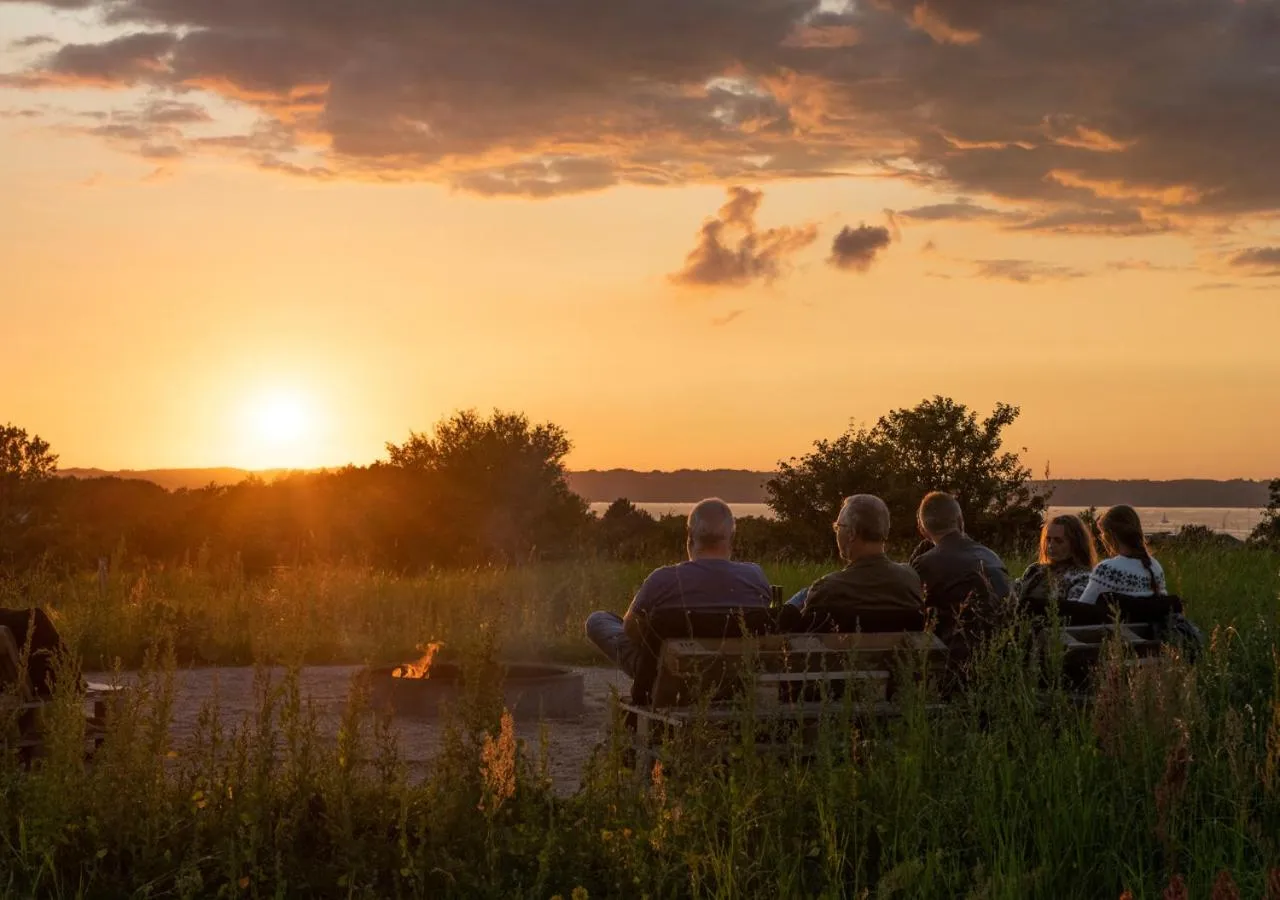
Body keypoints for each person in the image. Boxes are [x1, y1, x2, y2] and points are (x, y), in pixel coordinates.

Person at [584, 498, 771, 678]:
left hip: (665, 674)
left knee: (598, 620)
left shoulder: (663, 578)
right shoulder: (755, 576)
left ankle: (653, 675)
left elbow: (631, 630)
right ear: (732, 538)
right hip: (735, 672)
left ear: (690, 538)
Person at [790, 495, 923, 627]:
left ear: (852, 533)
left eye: (838, 527)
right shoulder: (910, 580)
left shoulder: (826, 590)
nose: (836, 532)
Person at [909, 492, 1011, 636]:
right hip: (1003, 644)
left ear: (923, 530)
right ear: (960, 520)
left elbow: (913, 614)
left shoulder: (925, 564)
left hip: (954, 652)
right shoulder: (991, 555)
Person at [1077, 505, 1167, 605]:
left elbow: (1083, 608)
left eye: (1102, 533)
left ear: (1110, 534)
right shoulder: (1156, 567)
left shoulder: (1107, 570)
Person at [1014, 514, 1098, 608]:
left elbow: (1073, 614)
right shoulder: (1035, 569)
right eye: (1048, 540)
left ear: (1075, 544)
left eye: (1058, 541)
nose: (1051, 545)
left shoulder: (1082, 577)